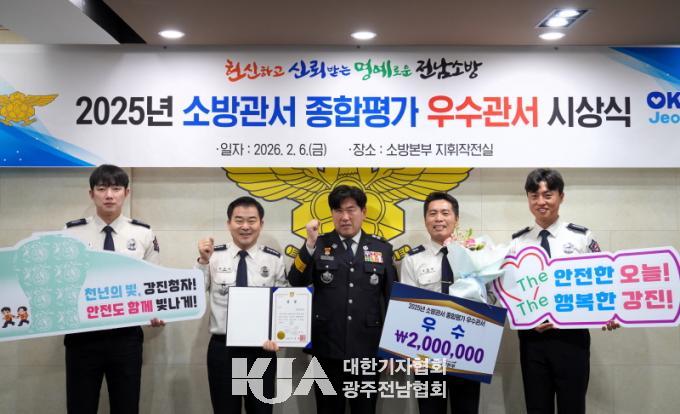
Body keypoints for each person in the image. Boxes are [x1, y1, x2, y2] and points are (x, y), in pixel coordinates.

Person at [510, 168, 617, 414]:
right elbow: (512, 291)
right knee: (537, 407)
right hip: (532, 339)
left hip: (572, 338)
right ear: (528, 199)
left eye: (548, 195)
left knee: (573, 407)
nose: (541, 202)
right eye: (534, 196)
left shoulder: (581, 237)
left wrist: (611, 311)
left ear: (561, 196)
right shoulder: (517, 242)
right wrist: (527, 319)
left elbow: (604, 279)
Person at [62, 164, 163, 414]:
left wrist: (158, 310)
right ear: (91, 194)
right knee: (80, 406)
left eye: (116, 188)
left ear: (126, 193)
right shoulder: (71, 233)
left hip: (126, 336)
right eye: (102, 188)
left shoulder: (143, 233)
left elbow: (154, 282)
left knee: (126, 405)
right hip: (82, 335)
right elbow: (62, 282)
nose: (109, 195)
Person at [288, 185, 397, 414]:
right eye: (338, 210)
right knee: (327, 409)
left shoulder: (382, 248)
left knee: (365, 410)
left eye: (351, 209)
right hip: (327, 347)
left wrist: (391, 349)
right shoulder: (318, 244)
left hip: (367, 349)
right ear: (332, 214)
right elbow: (295, 281)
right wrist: (309, 244)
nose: (345, 217)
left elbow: (391, 300)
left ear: (363, 212)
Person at [195, 196, 286, 414]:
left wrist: (278, 336)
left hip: (261, 349)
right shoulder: (213, 256)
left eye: (251, 220)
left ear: (261, 224)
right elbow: (195, 293)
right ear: (229, 223)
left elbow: (283, 305)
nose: (245, 226)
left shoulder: (274, 260)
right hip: (223, 349)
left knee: (261, 410)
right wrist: (203, 261)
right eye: (239, 220)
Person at [400, 191, 482, 414]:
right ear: (425, 219)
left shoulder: (475, 254)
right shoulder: (413, 259)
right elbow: (406, 310)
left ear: (456, 219)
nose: (439, 218)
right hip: (426, 353)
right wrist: (410, 354)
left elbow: (490, 300)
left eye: (445, 213)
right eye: (433, 213)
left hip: (467, 351)